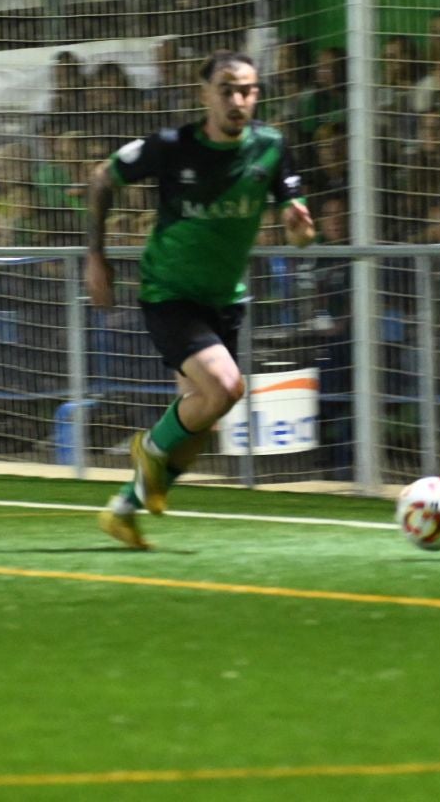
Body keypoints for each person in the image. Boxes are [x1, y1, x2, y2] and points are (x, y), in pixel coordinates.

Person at [86, 50, 315, 549]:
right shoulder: (172, 145)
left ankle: (124, 509)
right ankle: (147, 450)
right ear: (204, 93)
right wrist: (95, 257)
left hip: (224, 299)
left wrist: (299, 228)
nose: (239, 100)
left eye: (249, 90)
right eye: (229, 89)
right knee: (227, 389)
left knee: (199, 419)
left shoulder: (272, 147)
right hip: (169, 293)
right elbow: (102, 177)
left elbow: (296, 225)